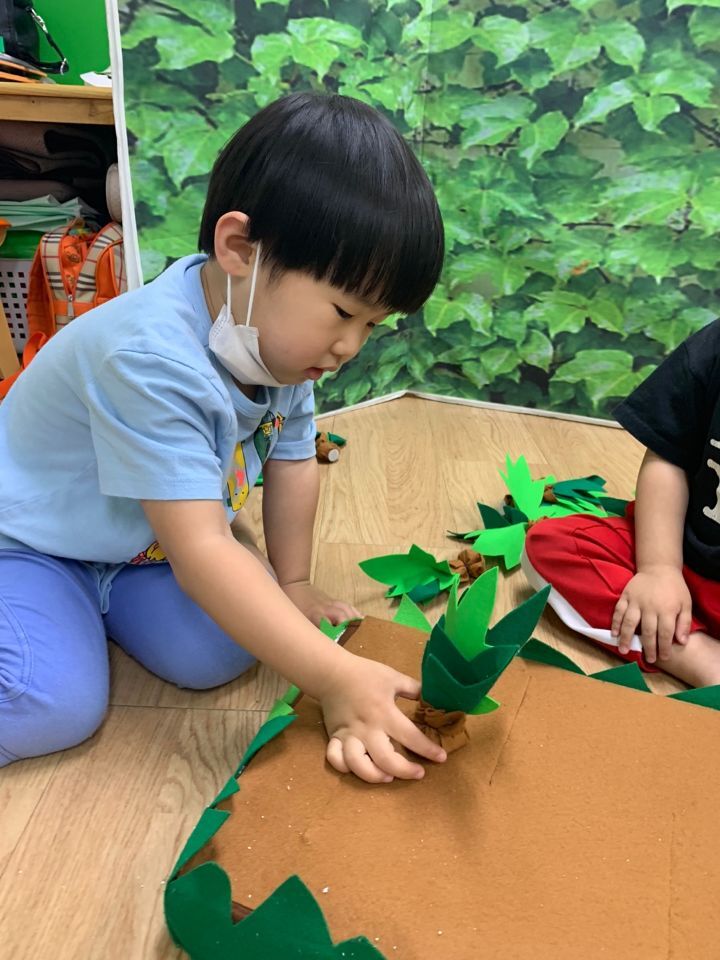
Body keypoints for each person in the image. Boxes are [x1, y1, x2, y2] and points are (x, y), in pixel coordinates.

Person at [0, 92, 447, 781]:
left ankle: (96, 600)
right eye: (343, 312)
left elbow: (293, 459)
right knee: (53, 706)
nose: (351, 346)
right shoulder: (150, 359)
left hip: (133, 544)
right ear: (239, 249)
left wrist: (293, 583)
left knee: (223, 650)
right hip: (30, 542)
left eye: (372, 325)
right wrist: (335, 678)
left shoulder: (274, 341)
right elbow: (203, 548)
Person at [524, 319, 720, 688]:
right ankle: (697, 655)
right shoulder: (713, 348)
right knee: (549, 545)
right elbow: (668, 457)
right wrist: (659, 568)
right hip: (685, 562)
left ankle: (666, 634)